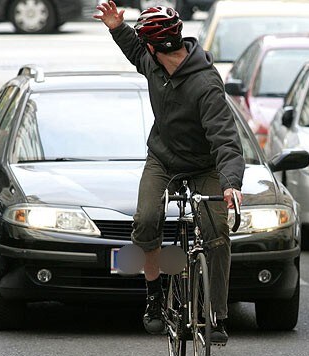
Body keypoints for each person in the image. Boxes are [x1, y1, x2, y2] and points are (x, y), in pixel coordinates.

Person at [94, 2, 245, 345]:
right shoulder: (153, 62)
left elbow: (225, 138)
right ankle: (154, 299)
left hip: (204, 165)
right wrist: (117, 27)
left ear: (155, 45)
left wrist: (230, 183)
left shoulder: (205, 84)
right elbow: (134, 50)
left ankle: (218, 315)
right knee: (146, 219)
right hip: (162, 160)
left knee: (217, 230)